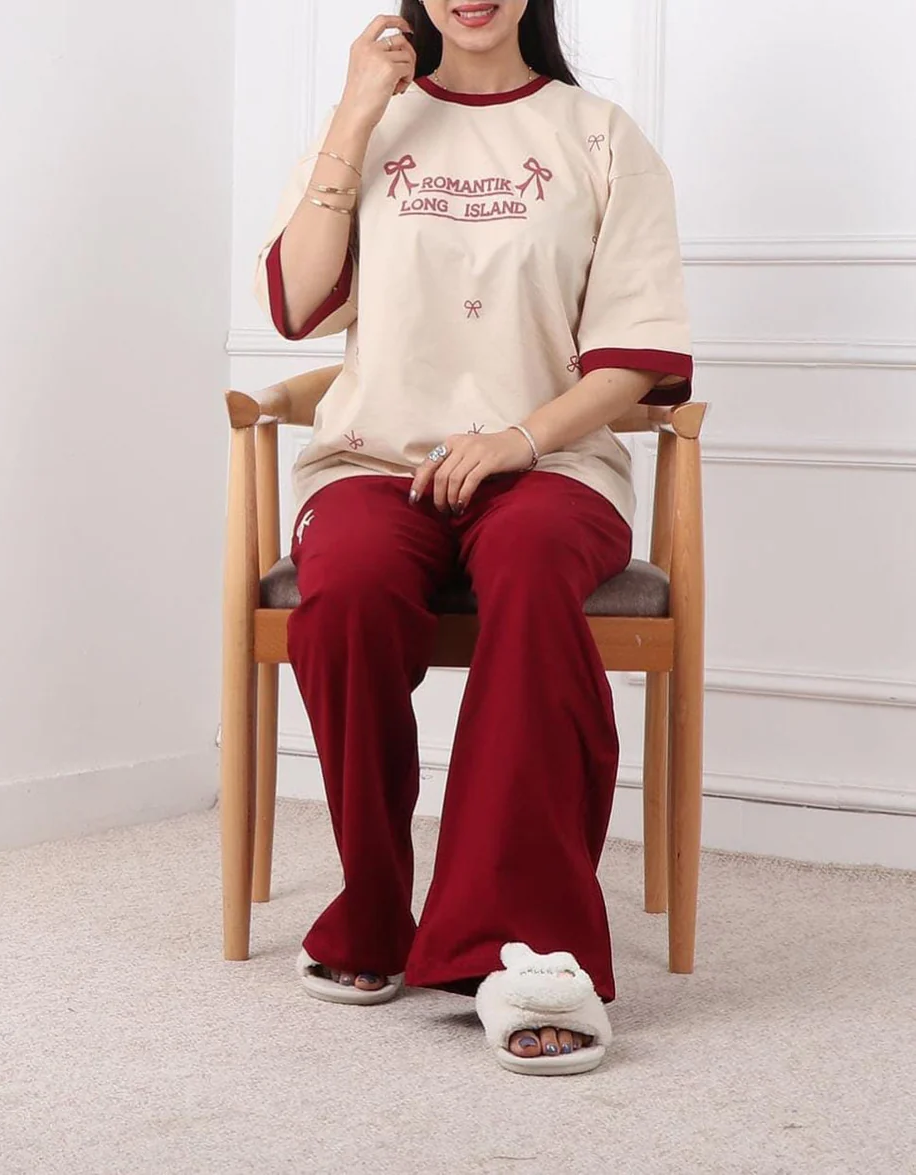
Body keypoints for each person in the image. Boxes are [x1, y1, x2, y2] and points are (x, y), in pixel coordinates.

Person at [255, 0, 692, 1076]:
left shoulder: (599, 135)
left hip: (551, 466)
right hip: (374, 460)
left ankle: (527, 943)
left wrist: (517, 438)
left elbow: (635, 358)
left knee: (533, 562)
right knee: (348, 585)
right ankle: (372, 901)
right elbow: (298, 304)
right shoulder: (374, 122)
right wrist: (358, 109)